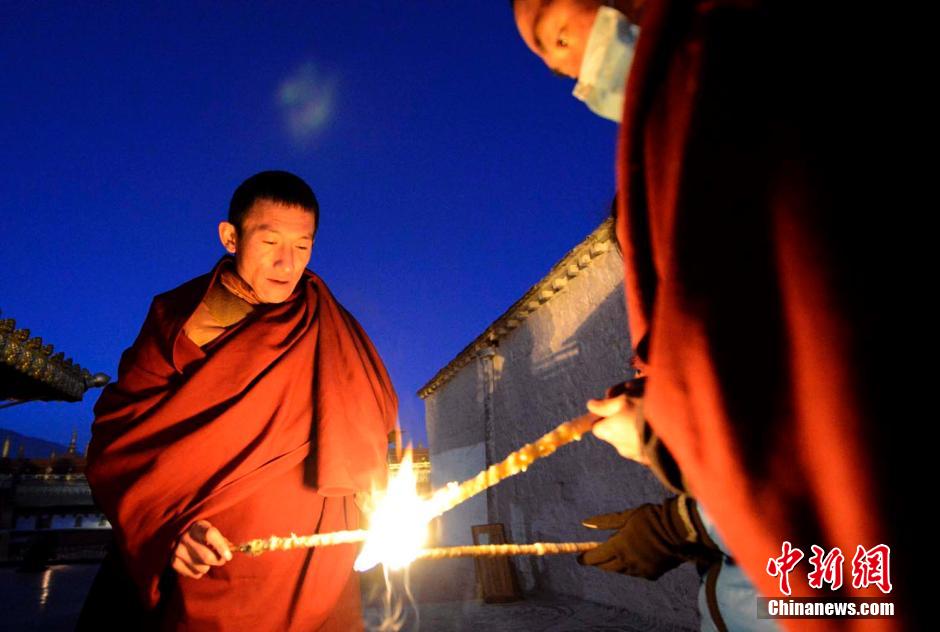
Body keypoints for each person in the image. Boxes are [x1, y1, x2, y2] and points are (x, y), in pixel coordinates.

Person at [512, 1, 908, 630]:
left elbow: (803, 402)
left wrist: (669, 450)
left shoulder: (716, 85)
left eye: (557, 35)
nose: (568, 74)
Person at [80, 171, 398, 631]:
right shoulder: (180, 323)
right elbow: (118, 441)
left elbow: (369, 413)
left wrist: (373, 486)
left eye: (302, 246)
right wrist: (167, 526)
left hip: (320, 565)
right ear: (231, 237)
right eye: (270, 242)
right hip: (215, 569)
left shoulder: (327, 322)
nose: (287, 264)